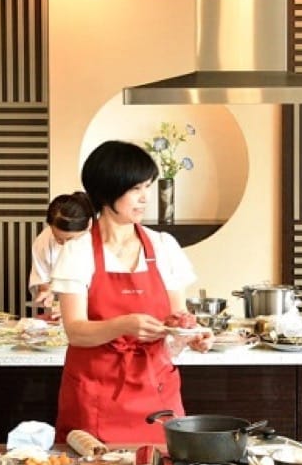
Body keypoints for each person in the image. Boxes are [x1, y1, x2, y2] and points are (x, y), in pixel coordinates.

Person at [51, 140, 212, 443]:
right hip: (96, 392)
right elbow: (75, 332)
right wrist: (124, 325)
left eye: (147, 187)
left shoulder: (164, 246)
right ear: (108, 190)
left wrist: (192, 334)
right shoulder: (78, 252)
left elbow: (176, 319)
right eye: (136, 189)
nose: (145, 199)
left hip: (156, 390)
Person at [29, 192, 95, 314]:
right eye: (58, 239)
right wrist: (48, 292)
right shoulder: (44, 240)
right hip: (59, 314)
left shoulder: (104, 241)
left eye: (70, 239)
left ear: (89, 225)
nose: (65, 245)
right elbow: (42, 279)